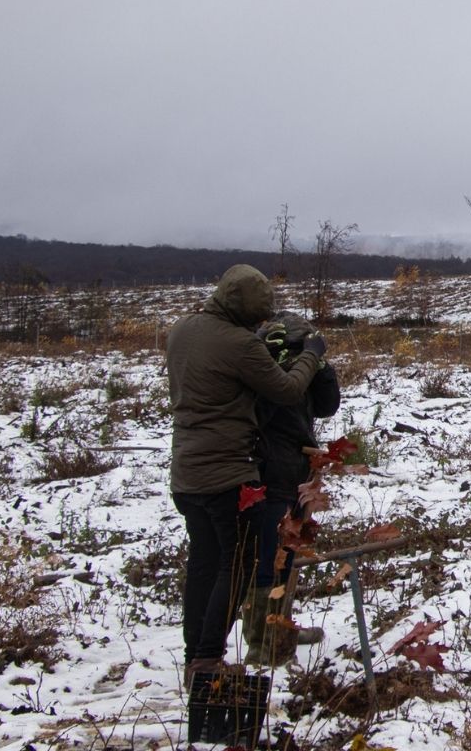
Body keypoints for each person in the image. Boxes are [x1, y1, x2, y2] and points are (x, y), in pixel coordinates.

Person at [166, 265, 326, 680]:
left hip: (186, 470)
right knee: (235, 566)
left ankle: (194, 657)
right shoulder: (240, 345)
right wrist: (312, 355)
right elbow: (288, 390)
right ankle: (207, 658)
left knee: (202, 563)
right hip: (227, 472)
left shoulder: (182, 329)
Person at [242, 312, 341, 667]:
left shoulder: (304, 371)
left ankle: (280, 630)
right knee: (267, 555)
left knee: (290, 550)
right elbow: (275, 406)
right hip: (269, 469)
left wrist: (321, 367)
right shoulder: (264, 372)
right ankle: (261, 642)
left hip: (298, 468)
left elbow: (328, 406)